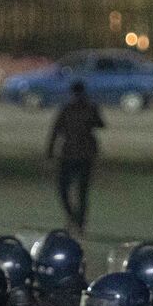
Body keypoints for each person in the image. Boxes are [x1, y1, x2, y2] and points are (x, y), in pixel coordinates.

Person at [46, 82, 104, 235]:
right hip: (74, 153)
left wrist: (50, 151)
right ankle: (75, 218)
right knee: (68, 189)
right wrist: (50, 151)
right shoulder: (69, 109)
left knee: (79, 191)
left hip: (79, 154)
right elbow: (56, 130)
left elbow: (100, 124)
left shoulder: (84, 108)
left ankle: (78, 221)